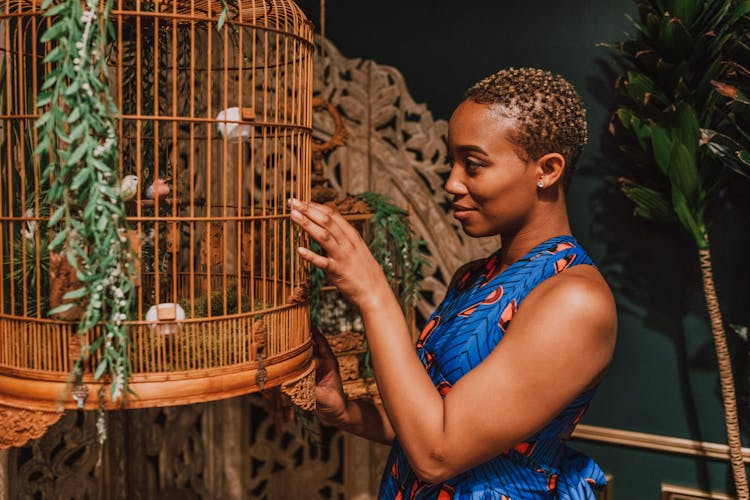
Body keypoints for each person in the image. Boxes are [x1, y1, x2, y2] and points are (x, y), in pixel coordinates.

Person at [289, 67, 617, 499]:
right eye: (451, 161)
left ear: (548, 170)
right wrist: (345, 410)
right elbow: (436, 424)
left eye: (473, 165)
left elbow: (437, 454)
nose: (451, 182)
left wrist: (372, 292)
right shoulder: (474, 277)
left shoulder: (575, 301)